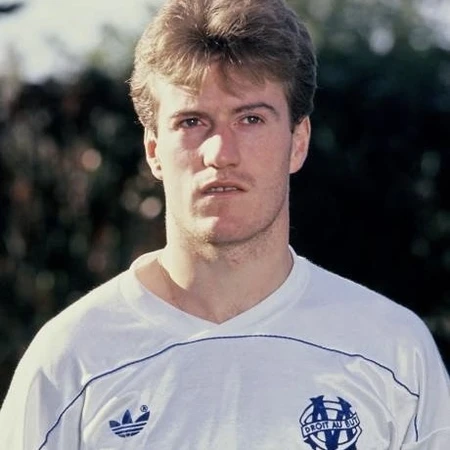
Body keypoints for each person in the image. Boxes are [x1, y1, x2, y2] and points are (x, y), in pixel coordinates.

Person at [1, 0, 449, 448]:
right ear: (154, 151)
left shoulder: (393, 353)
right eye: (192, 121)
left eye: (250, 119)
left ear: (298, 142)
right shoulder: (71, 361)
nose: (220, 153)